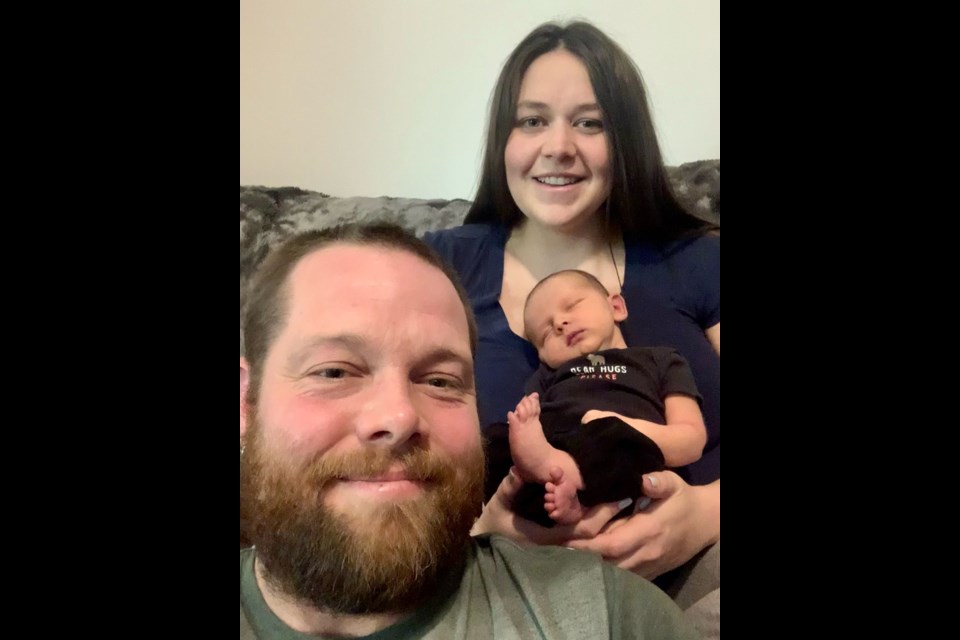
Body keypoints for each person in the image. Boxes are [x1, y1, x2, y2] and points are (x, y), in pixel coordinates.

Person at [239, 223, 700, 639]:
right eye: (335, 372)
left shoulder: (613, 614)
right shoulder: (547, 379)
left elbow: (686, 435)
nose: (399, 418)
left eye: (440, 380)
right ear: (245, 402)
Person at [422, 19, 720, 632]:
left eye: (589, 122)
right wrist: (484, 534)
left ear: (626, 140)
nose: (558, 145)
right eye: (532, 120)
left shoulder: (696, 259)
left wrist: (706, 515)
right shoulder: (443, 263)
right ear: (504, 138)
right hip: (498, 588)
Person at [487, 268, 706, 527]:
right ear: (542, 356)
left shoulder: (661, 359)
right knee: (493, 443)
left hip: (623, 457)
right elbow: (529, 427)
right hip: (553, 462)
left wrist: (619, 424)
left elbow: (691, 440)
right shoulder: (549, 376)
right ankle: (564, 495)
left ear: (616, 307)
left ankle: (564, 473)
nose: (559, 323)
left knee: (610, 436)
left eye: (572, 305)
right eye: (546, 333)